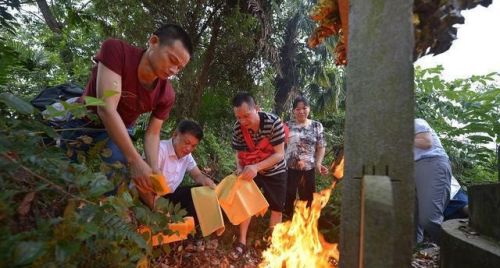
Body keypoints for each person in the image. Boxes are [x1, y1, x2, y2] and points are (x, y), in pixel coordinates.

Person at [60, 24, 193, 206]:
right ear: (153, 41)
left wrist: (154, 169)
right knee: (63, 179)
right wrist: (135, 160)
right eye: (172, 60)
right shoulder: (116, 50)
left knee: (116, 178)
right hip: (83, 121)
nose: (173, 70)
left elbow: (153, 133)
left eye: (179, 68)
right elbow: (106, 108)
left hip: (120, 131)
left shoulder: (167, 94)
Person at [230, 92, 287, 258]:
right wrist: (240, 169)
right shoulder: (238, 128)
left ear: (257, 108)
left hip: (275, 170)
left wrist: (256, 167)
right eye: (238, 117)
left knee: (277, 207)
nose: (242, 121)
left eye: (246, 116)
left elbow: (279, 154)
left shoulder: (273, 123)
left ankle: (272, 243)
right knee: (246, 203)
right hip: (250, 169)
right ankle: (241, 241)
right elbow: (239, 153)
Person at [155, 120, 216, 222]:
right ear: (175, 134)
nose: (188, 149)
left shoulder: (187, 156)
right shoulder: (160, 150)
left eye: (193, 146)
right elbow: (145, 183)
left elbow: (197, 175)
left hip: (168, 197)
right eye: (187, 142)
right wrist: (159, 207)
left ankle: (189, 227)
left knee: (199, 190)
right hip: (149, 194)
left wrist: (208, 182)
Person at [284, 96, 328, 217]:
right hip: (289, 169)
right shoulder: (287, 126)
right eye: (298, 109)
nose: (301, 111)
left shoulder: (316, 126)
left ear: (309, 109)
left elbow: (321, 146)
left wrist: (318, 163)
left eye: (304, 108)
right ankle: (287, 223)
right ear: (293, 110)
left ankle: (306, 225)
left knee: (308, 200)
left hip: (308, 169)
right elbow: (279, 146)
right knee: (288, 197)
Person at [414, 118, 452, 245]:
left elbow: (426, 142)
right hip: (412, 169)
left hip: (431, 162)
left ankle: (458, 249)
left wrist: (399, 138)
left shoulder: (416, 122)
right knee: (412, 217)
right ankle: (415, 250)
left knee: (430, 218)